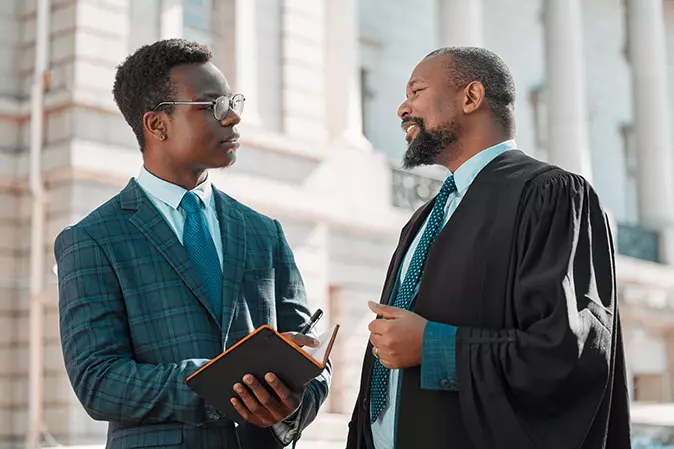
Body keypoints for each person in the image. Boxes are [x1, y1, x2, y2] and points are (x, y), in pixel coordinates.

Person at [346, 47, 631, 449]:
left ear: (471, 97)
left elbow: (569, 352)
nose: (401, 109)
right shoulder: (425, 219)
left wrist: (433, 346)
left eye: (416, 92)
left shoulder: (552, 195)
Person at [55, 38, 330, 449]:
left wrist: (290, 404)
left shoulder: (263, 231)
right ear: (156, 124)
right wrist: (228, 385)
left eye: (232, 102)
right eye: (212, 106)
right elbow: (98, 381)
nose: (233, 117)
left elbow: (310, 358)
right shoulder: (93, 239)